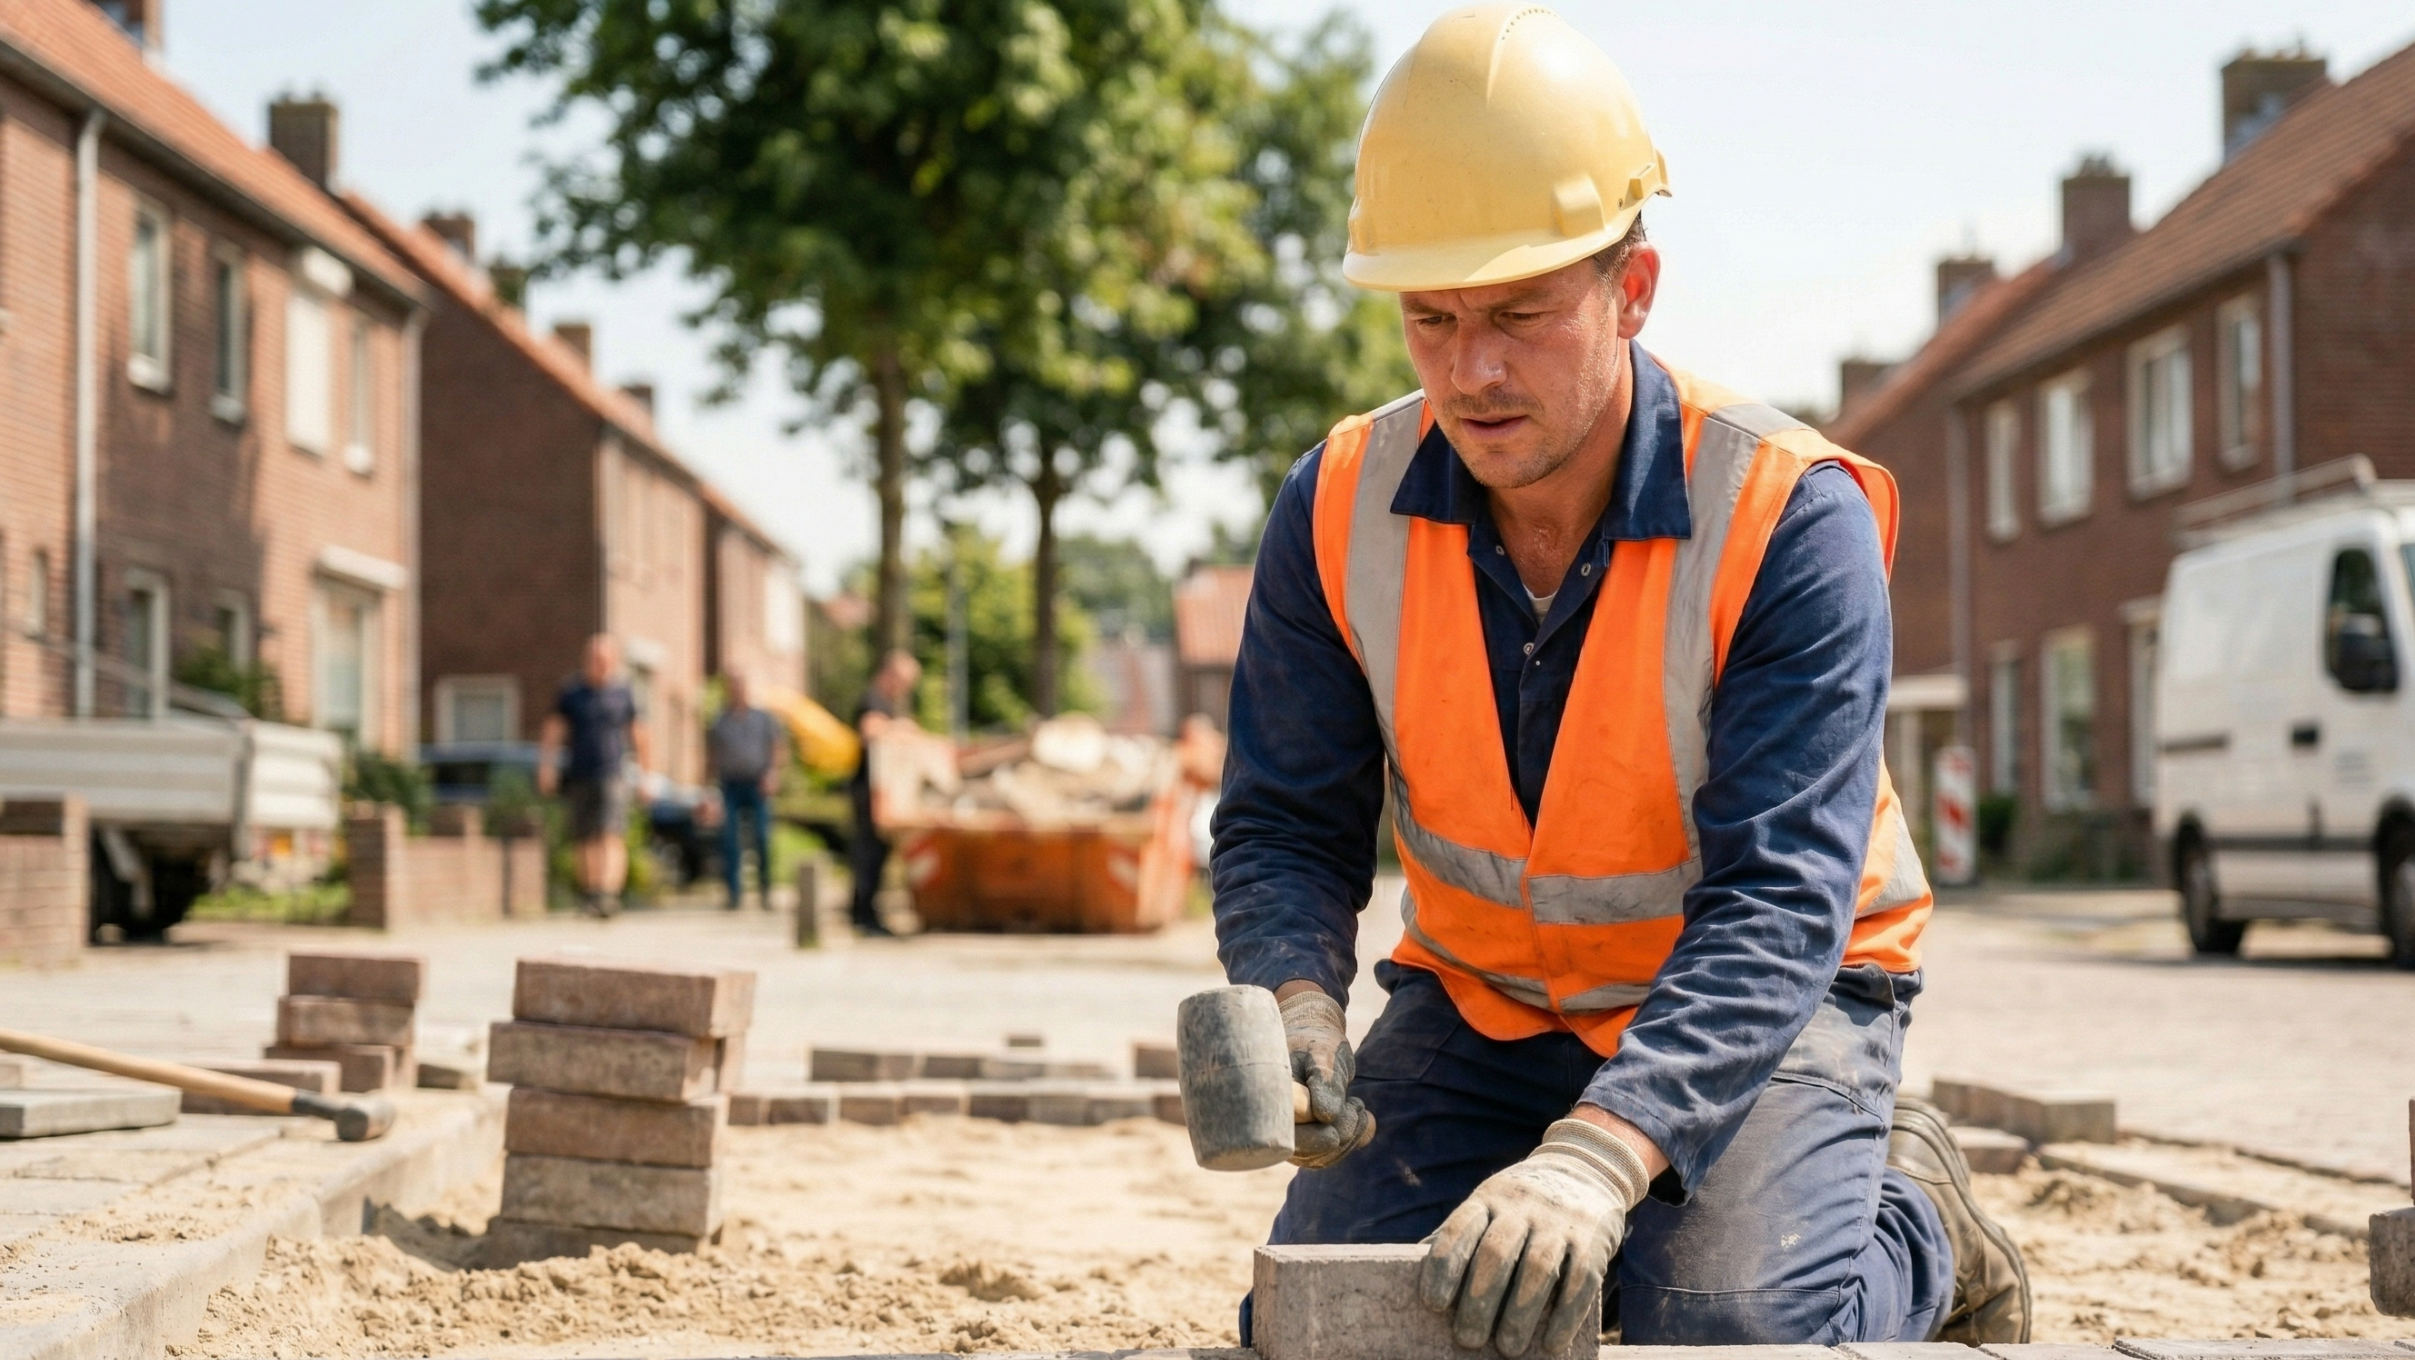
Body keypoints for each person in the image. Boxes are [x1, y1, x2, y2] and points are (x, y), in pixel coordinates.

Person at [1210, 6, 2028, 1355]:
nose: (1469, 371)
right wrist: (1296, 1000)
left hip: (1774, 998)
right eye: (1429, 319)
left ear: (1629, 291)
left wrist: (1593, 1162)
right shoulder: (1335, 505)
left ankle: (1917, 1222)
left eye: (1519, 314)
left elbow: (1777, 902)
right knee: (1321, 1318)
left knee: (1705, 1328)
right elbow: (1283, 819)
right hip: (1487, 1003)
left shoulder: (1782, 516)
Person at [537, 633, 650, 918]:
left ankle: (608, 895)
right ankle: (590, 894)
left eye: (603, 659)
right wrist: (546, 767)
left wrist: (646, 776)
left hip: (613, 773)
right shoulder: (572, 692)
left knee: (610, 834)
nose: (597, 664)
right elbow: (554, 730)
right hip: (579, 773)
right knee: (584, 837)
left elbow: (639, 735)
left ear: (612, 661)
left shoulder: (623, 692)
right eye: (592, 658)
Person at [848, 649, 921, 936]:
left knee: (877, 854)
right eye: (903, 681)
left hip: (879, 791)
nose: (904, 689)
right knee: (869, 854)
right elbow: (870, 730)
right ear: (890, 674)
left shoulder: (885, 702)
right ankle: (863, 915)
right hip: (868, 789)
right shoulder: (873, 699)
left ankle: (866, 912)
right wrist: (899, 728)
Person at [708, 672, 789, 911]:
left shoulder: (763, 718)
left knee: (762, 837)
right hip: (729, 784)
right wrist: (710, 789)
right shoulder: (720, 720)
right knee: (729, 839)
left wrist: (772, 773)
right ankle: (734, 894)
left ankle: (765, 891)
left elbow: (777, 747)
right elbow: (712, 756)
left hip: (758, 784)